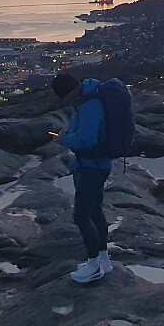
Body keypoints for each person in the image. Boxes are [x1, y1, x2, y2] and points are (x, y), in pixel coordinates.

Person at [52, 72, 113, 283]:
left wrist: (64, 139)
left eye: (65, 97)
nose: (66, 102)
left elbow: (87, 141)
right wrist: (68, 134)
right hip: (93, 164)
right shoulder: (87, 98)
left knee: (81, 216)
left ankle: (94, 265)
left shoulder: (89, 105)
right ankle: (104, 260)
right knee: (95, 211)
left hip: (92, 167)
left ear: (70, 92)